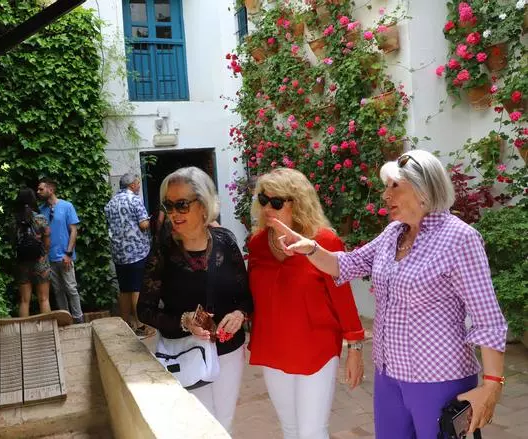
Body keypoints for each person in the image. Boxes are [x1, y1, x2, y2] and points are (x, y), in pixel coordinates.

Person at [269, 150, 508, 439]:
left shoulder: (459, 238)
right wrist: (310, 248)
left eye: (394, 185)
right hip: (389, 375)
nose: (385, 195)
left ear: (424, 188)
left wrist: (492, 384)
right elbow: (347, 264)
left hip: (439, 378)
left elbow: (488, 319)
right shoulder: (394, 232)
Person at [246, 168, 365, 439]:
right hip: (273, 349)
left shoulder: (322, 242)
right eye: (264, 200)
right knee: (290, 430)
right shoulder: (257, 244)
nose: (268, 208)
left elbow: (343, 300)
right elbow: (250, 297)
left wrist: (355, 349)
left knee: (311, 432)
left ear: (297, 203)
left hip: (316, 349)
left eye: (277, 202)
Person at [137, 166, 253, 432]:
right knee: (197, 428)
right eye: (168, 205)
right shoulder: (163, 249)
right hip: (184, 350)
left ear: (203, 205)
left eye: (181, 205)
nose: (173, 214)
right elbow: (144, 310)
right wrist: (184, 320)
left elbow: (245, 297)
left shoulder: (226, 242)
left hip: (227, 351)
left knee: (224, 423)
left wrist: (239, 315)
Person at [104, 173, 154, 337]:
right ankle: (140, 325)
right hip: (136, 252)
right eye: (138, 183)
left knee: (124, 289)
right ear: (132, 185)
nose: (139, 186)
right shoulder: (134, 200)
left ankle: (125, 324)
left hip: (119, 253)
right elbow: (143, 224)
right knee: (137, 288)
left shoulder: (111, 203)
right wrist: (150, 220)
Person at [37, 178, 84, 324]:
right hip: (49, 259)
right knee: (57, 291)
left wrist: (69, 253)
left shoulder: (66, 206)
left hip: (65, 256)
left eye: (41, 189)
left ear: (51, 190)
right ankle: (65, 320)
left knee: (71, 288)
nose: (38, 192)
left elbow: (74, 231)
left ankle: (78, 320)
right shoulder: (41, 210)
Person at [13, 187, 51, 317]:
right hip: (40, 261)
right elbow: (47, 240)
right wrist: (44, 254)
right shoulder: (40, 218)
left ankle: (24, 333)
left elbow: (13, 242)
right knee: (44, 299)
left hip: (22, 262)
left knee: (24, 301)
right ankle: (47, 330)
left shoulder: (14, 221)